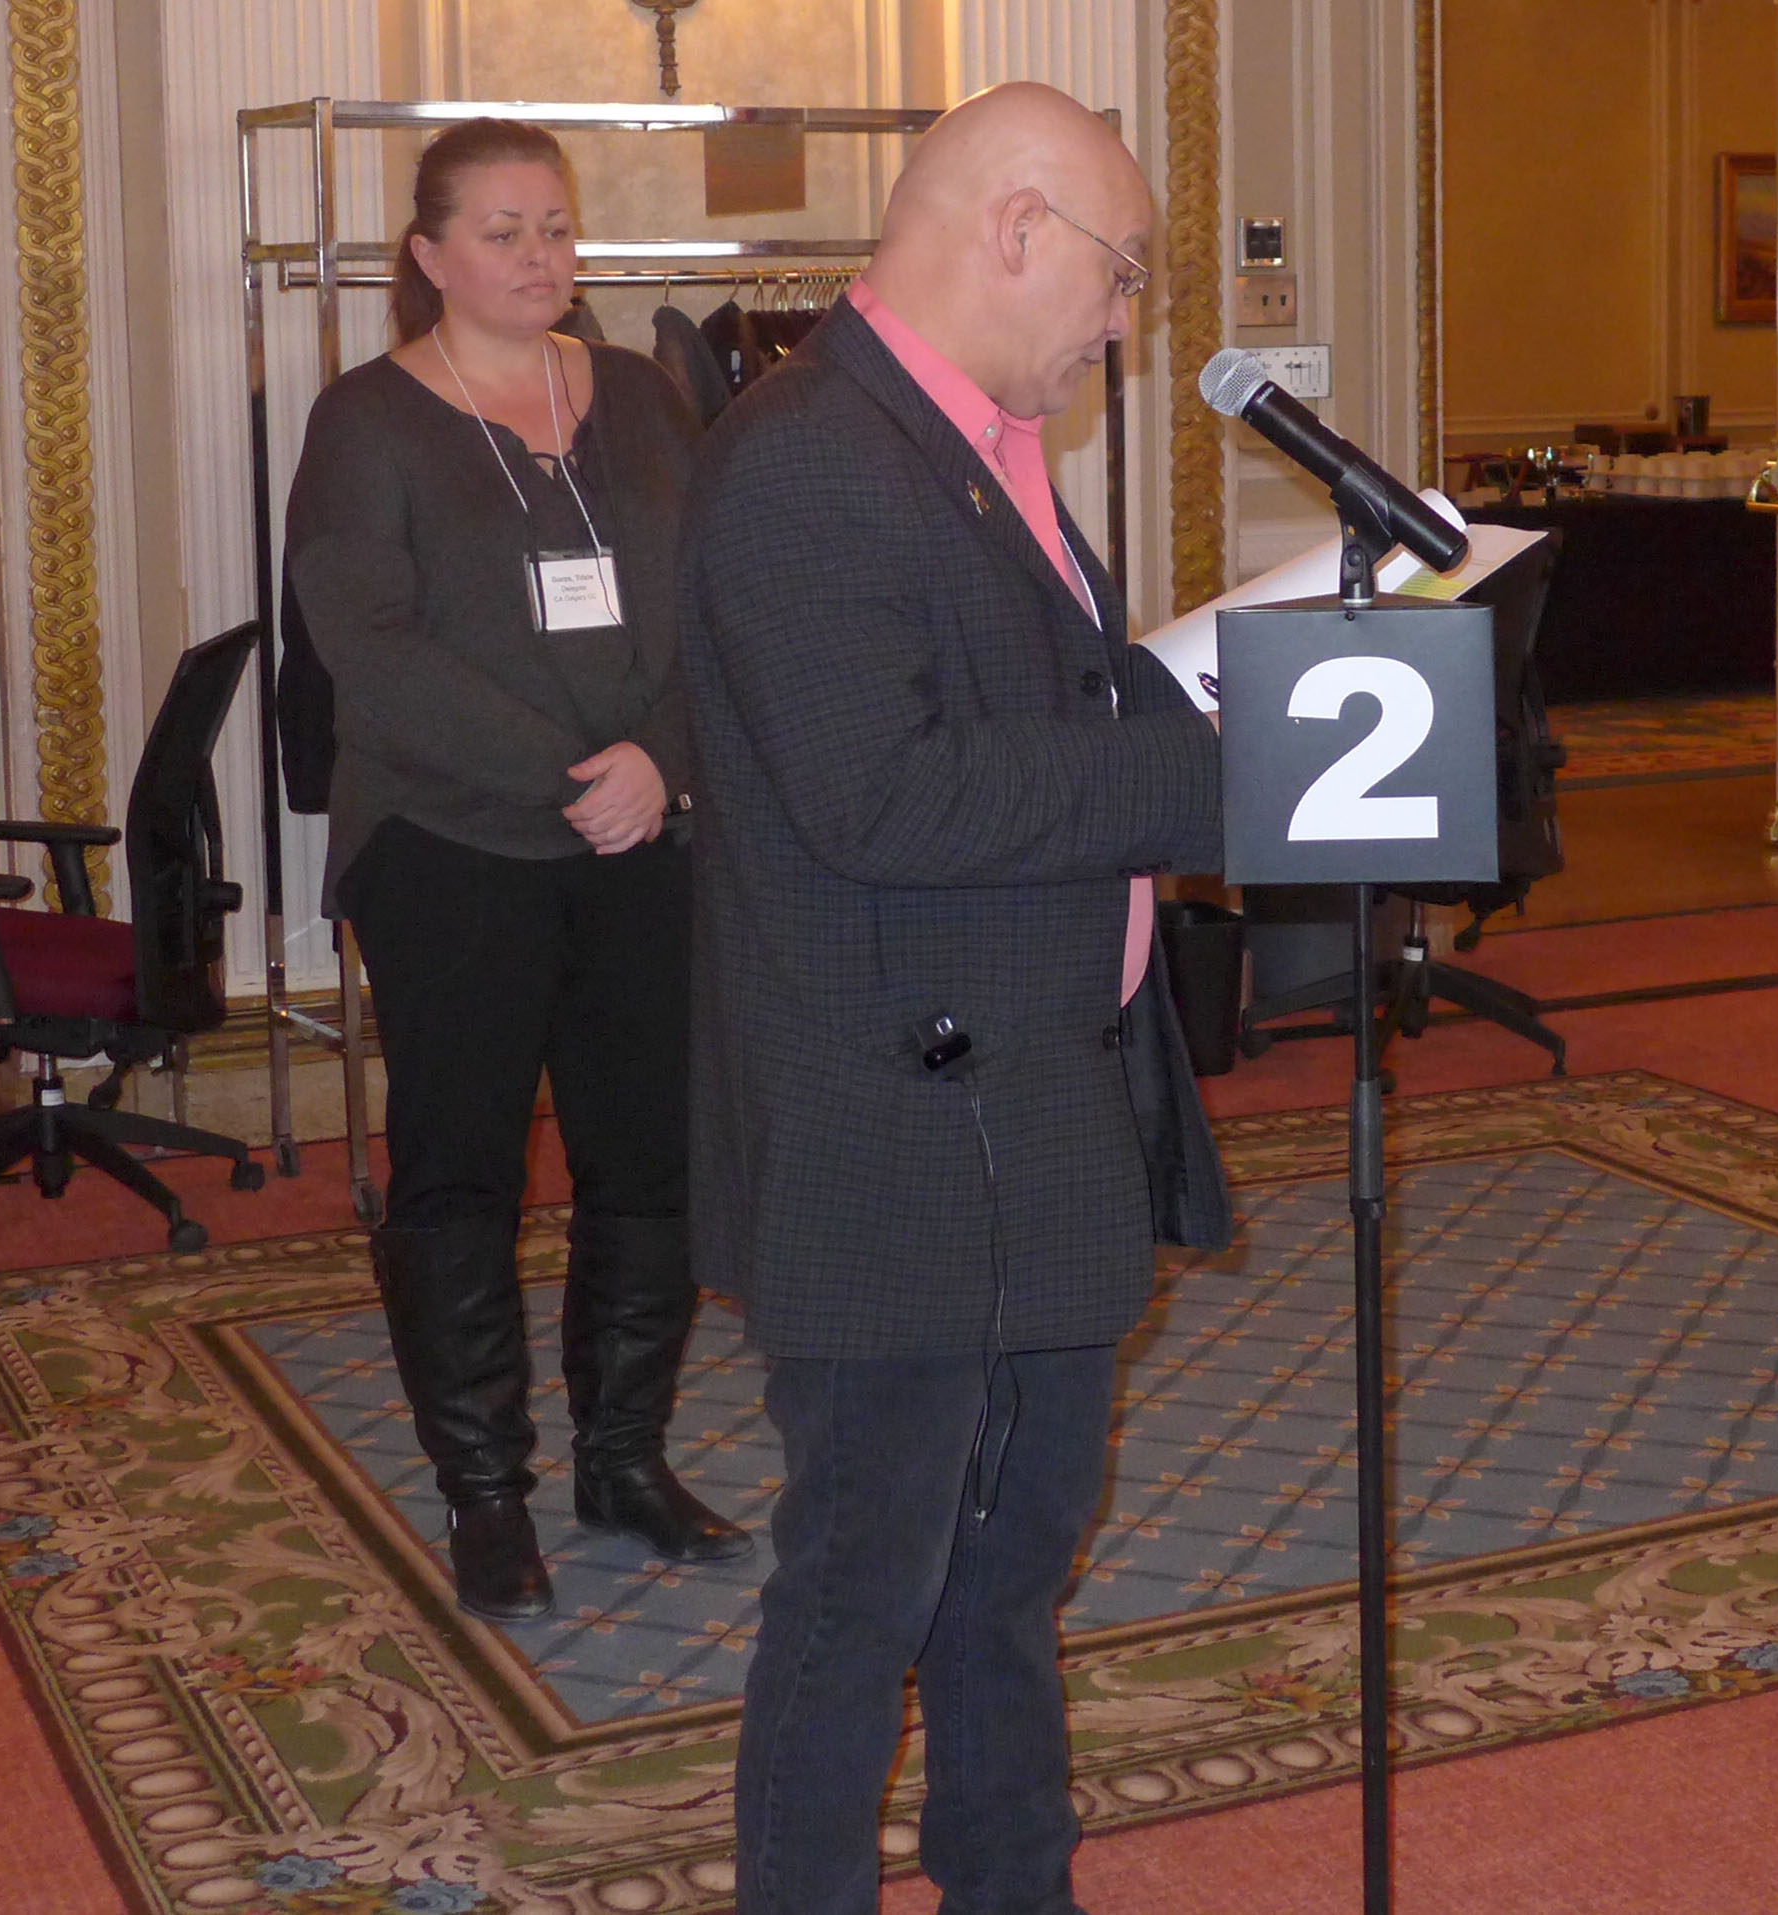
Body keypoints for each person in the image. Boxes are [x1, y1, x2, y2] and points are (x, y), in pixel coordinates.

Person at [678, 83, 1228, 1915]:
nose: (1127, 315)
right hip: (893, 1145)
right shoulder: (810, 453)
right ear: (1013, 227)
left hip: (1033, 1113)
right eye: (1122, 269)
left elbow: (1041, 721)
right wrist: (1217, 773)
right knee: (862, 1596)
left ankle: (1017, 1891)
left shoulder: (975, 440)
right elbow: (882, 797)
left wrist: (1206, 699)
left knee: (1007, 1579)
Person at [284, 117, 749, 1627]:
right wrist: (577, 776)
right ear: (427, 257)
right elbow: (372, 652)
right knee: (462, 1168)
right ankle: (487, 1491)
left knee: (650, 1157)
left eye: (555, 227)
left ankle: (624, 1458)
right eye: (502, 230)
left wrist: (662, 762)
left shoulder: (638, 396)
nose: (539, 255)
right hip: (451, 846)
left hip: (643, 835)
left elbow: (711, 605)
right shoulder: (366, 419)